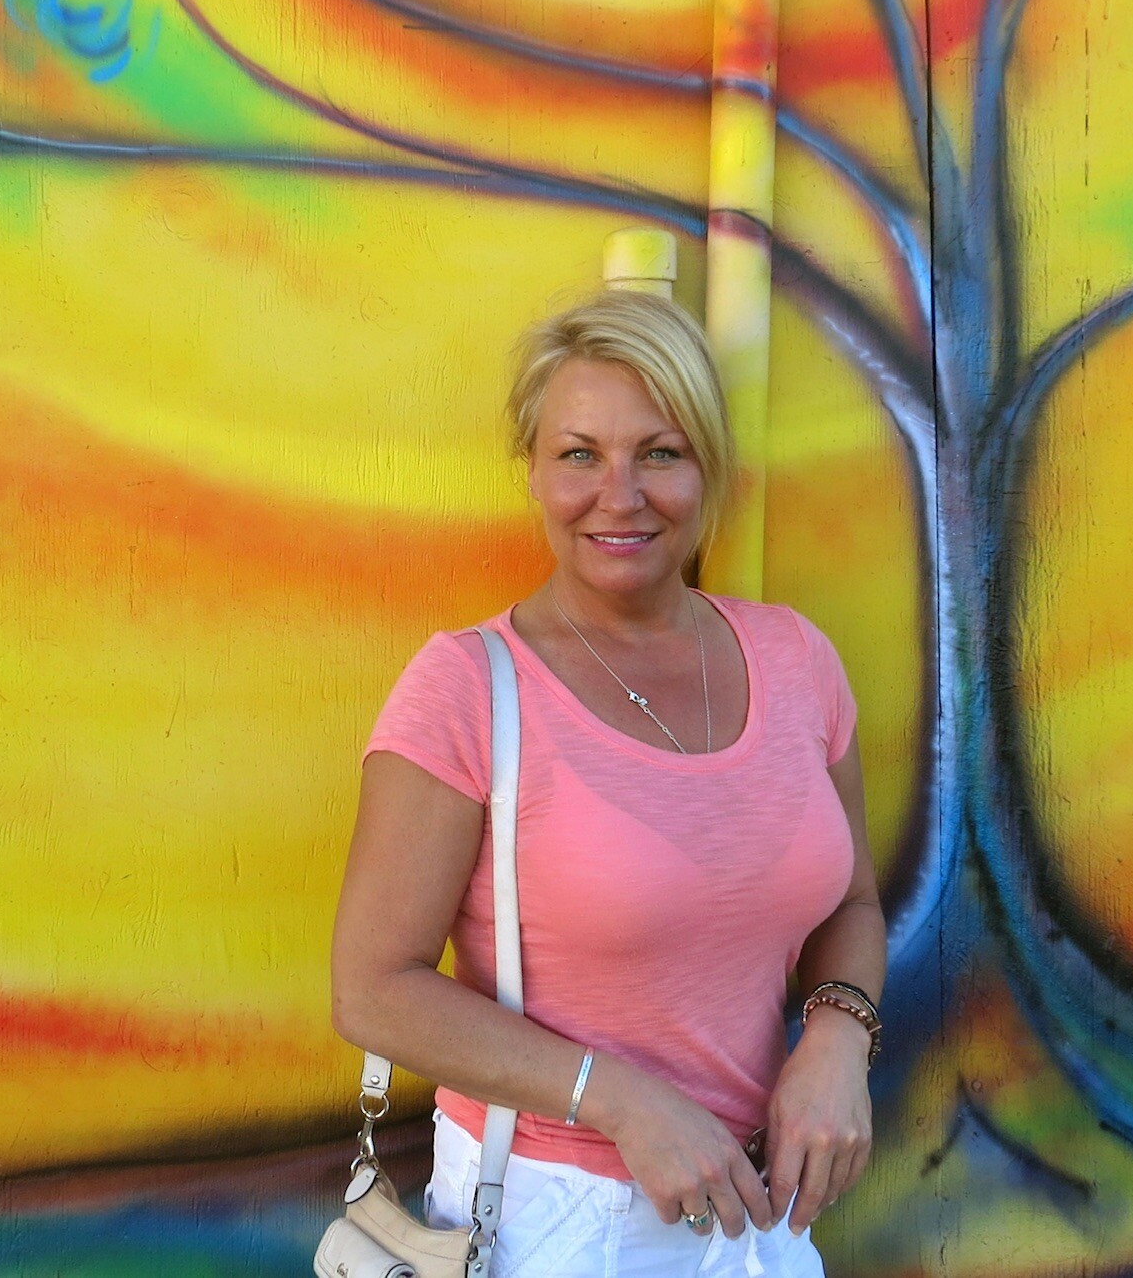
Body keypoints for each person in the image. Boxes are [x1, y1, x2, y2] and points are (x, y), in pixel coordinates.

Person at [330, 291, 885, 1277]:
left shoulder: (795, 658)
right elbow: (374, 989)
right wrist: (620, 1100)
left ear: (710, 467)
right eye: (579, 454)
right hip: (552, 1218)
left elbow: (849, 901)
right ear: (533, 471)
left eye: (659, 453)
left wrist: (838, 1037)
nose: (618, 495)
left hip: (761, 1215)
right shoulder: (468, 688)